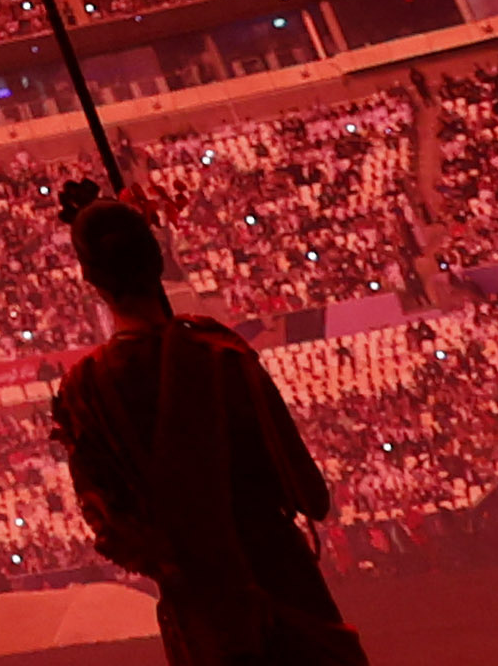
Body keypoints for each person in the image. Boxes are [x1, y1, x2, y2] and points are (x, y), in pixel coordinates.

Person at [45, 182, 365, 666]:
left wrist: (185, 558)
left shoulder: (82, 390)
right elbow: (309, 495)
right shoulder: (222, 354)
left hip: (203, 627)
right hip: (290, 598)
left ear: (94, 282)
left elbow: (110, 528)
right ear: (156, 264)